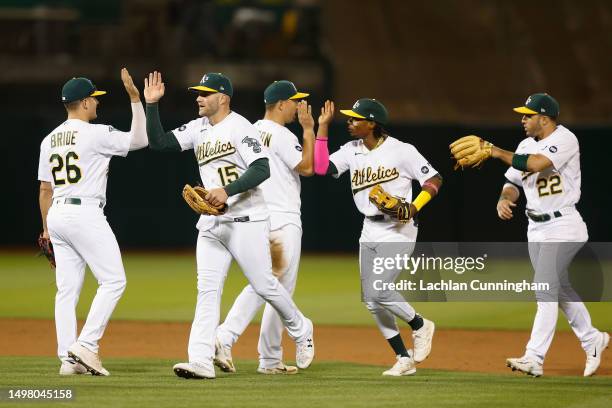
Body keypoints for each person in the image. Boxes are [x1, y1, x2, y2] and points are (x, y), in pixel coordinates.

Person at [143, 71, 315, 379]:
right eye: (198, 92)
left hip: (247, 220)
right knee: (207, 291)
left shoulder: (240, 127)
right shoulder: (198, 128)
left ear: (223, 98)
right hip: (212, 223)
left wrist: (227, 190)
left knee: (264, 284)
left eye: (205, 93)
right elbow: (158, 143)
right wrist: (152, 105)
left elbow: (262, 169)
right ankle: (200, 360)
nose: (198, 97)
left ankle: (302, 329)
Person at [480, 93, 608, 377]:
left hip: (563, 224)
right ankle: (592, 339)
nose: (523, 120)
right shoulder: (525, 144)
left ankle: (534, 357)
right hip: (535, 228)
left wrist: (496, 152)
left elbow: (536, 164)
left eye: (528, 115)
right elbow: (513, 181)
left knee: (544, 286)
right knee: (559, 289)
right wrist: (505, 197)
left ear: (545, 118)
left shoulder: (565, 139)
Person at [313, 98, 441, 376]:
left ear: (372, 123)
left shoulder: (402, 150)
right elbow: (321, 167)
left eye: (354, 118)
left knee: (379, 288)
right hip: (369, 227)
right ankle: (403, 359)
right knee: (371, 299)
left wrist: (414, 206)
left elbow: (434, 179)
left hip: (398, 228)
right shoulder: (351, 150)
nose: (349, 122)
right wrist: (321, 128)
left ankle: (420, 324)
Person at [37, 69, 148, 376]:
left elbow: (45, 190)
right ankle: (86, 345)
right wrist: (136, 99)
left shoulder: (49, 140)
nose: (97, 104)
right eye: (94, 99)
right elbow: (140, 139)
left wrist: (46, 228)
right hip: (85, 212)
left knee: (66, 290)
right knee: (114, 280)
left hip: (57, 212)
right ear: (84, 103)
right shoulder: (97, 133)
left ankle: (67, 360)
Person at [214, 80, 314, 375]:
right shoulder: (281, 134)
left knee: (273, 285)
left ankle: (270, 359)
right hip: (281, 218)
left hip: (255, 214)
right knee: (268, 284)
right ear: (282, 104)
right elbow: (308, 168)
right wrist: (309, 130)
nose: (298, 107)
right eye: (294, 101)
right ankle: (225, 336)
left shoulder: (249, 129)